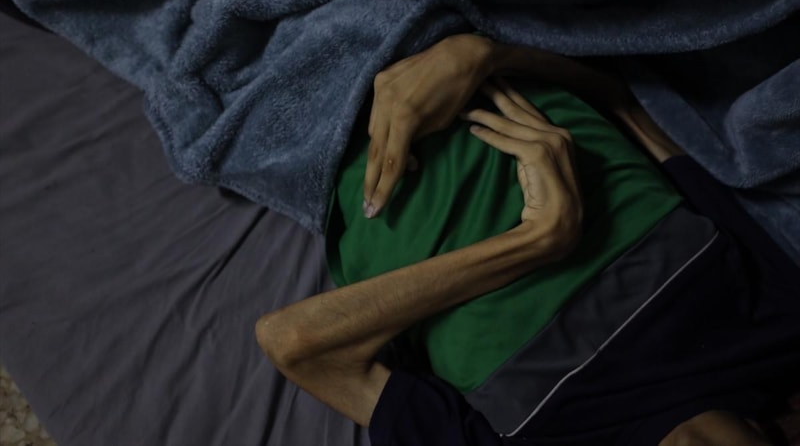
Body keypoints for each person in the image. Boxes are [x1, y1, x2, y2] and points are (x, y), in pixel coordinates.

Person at [255, 35, 800, 445]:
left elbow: (295, 342)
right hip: (448, 35)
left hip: (312, 129)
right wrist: (485, 55)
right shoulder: (779, 321)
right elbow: (626, 104)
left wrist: (541, 240)